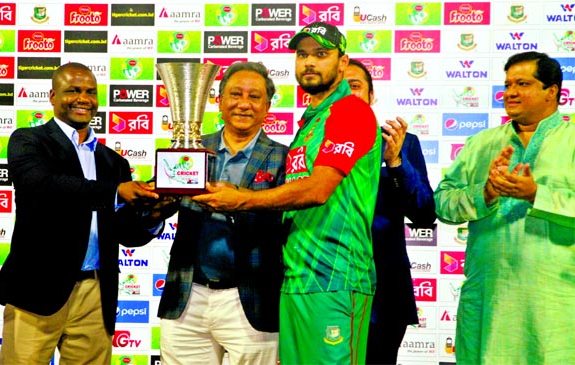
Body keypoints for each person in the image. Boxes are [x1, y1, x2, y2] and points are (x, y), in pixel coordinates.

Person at [193, 22, 382, 365]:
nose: (309, 62)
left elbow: (319, 188)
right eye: (302, 54)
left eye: (321, 54)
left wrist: (244, 198)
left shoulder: (351, 112)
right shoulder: (312, 121)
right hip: (296, 278)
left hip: (335, 278)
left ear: (343, 63)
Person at [0, 62, 180, 365]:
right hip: (36, 291)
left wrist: (154, 214)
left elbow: (124, 233)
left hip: (96, 294)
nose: (83, 98)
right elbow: (43, 185)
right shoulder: (28, 140)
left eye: (90, 92)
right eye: (74, 90)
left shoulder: (113, 162)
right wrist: (116, 191)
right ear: (53, 96)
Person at [434, 51, 575, 364]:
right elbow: (443, 202)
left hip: (557, 302)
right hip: (490, 298)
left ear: (552, 91)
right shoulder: (481, 143)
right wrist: (484, 193)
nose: (510, 92)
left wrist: (537, 194)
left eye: (522, 83)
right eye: (508, 83)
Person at [158, 61, 289, 365]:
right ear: (219, 100)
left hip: (251, 298)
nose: (244, 104)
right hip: (188, 296)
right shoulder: (191, 150)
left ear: (268, 106)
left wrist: (234, 204)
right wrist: (155, 204)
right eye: (235, 94)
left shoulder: (285, 157)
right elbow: (159, 211)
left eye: (254, 97)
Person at [345, 58, 436, 364]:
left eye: (355, 86)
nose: (347, 92)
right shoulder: (310, 145)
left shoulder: (401, 144)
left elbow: (424, 213)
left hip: (385, 293)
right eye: (339, 87)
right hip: (327, 287)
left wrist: (396, 161)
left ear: (371, 96)